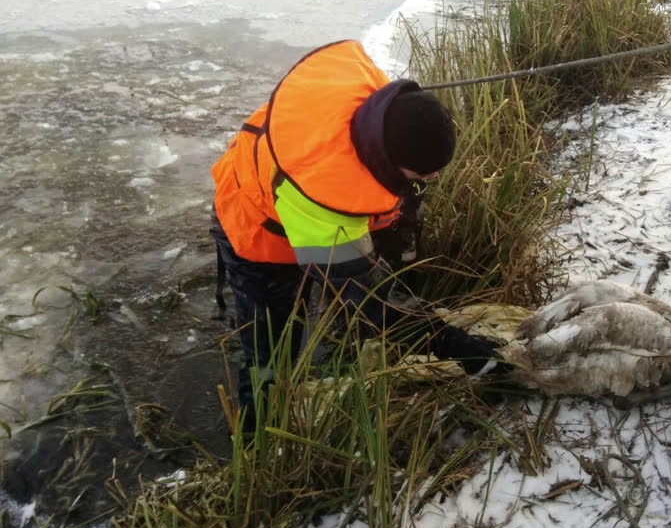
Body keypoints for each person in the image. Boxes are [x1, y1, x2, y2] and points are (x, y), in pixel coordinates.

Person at [210, 39, 508, 425]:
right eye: (423, 175)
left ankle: (342, 346)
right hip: (256, 230)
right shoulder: (326, 198)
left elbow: (399, 200)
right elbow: (372, 305)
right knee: (272, 350)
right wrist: (453, 344)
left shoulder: (382, 111)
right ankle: (257, 439)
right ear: (388, 160)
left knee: (362, 278)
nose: (433, 181)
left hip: (299, 182)